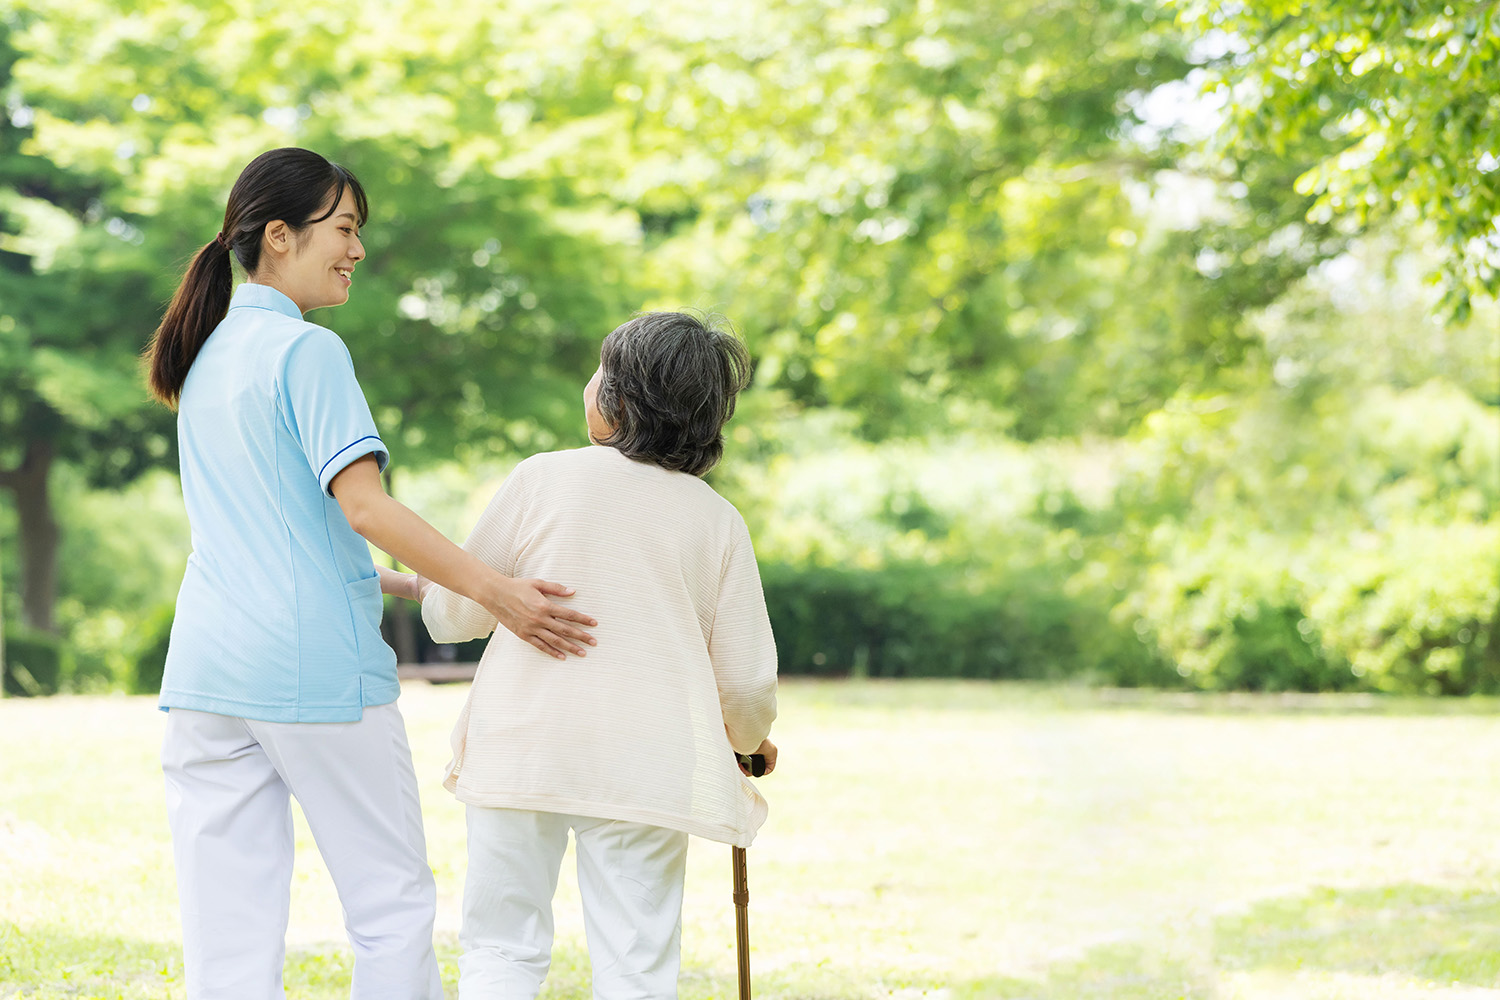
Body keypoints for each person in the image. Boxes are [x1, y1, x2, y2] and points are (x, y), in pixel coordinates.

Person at [145, 146, 597, 1000]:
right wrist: (498, 593)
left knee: (226, 924)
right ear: (279, 235)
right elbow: (366, 509)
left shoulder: (204, 355)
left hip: (207, 675)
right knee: (391, 904)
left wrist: (405, 582)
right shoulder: (305, 353)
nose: (356, 250)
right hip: (313, 674)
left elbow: (270, 529)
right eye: (344, 229)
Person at [414, 310, 779, 999]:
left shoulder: (542, 479)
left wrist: (433, 588)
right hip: (645, 761)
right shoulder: (717, 521)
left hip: (522, 749)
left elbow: (450, 614)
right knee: (635, 963)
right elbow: (747, 682)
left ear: (619, 399)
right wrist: (750, 743)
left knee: (500, 948)